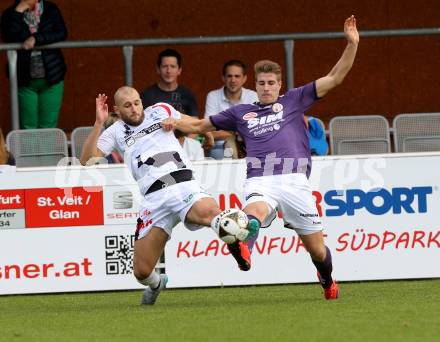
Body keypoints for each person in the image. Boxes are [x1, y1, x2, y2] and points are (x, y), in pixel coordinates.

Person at [161, 15, 360, 300]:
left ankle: (327, 278)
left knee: (317, 250)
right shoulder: (240, 113)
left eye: (271, 82)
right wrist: (172, 120)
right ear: (256, 84)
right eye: (262, 82)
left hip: (294, 181)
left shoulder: (294, 99)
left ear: (280, 85)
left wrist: (352, 43)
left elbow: (336, 77)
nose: (266, 87)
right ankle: (244, 249)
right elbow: (199, 125)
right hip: (261, 179)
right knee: (252, 215)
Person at [80, 86, 252, 305]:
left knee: (211, 214)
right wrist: (98, 123)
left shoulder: (160, 110)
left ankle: (234, 233)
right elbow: (87, 160)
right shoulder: (115, 131)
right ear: (117, 110)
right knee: (141, 271)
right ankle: (158, 283)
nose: (134, 109)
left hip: (181, 182)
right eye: (127, 106)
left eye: (136, 102)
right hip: (153, 199)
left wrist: (181, 125)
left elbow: (196, 124)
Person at [1, 0, 67, 129]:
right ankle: (29, 150)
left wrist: (36, 39)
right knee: (27, 126)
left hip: (52, 78)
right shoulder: (10, 14)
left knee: (48, 126)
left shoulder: (50, 9)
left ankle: (47, 150)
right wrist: (18, 12)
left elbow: (61, 33)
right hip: (25, 80)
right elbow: (8, 36)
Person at [205, 60, 258, 159]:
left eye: (237, 76)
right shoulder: (213, 96)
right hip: (219, 146)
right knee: (223, 148)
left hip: (247, 145)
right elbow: (208, 130)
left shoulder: (253, 96)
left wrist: (226, 130)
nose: (233, 80)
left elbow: (255, 128)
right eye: (229, 76)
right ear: (223, 78)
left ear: (244, 78)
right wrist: (234, 132)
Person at [140, 48, 199, 117]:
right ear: (158, 69)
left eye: (173, 66)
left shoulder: (188, 95)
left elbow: (194, 123)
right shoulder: (147, 95)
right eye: (165, 66)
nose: (168, 71)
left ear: (179, 70)